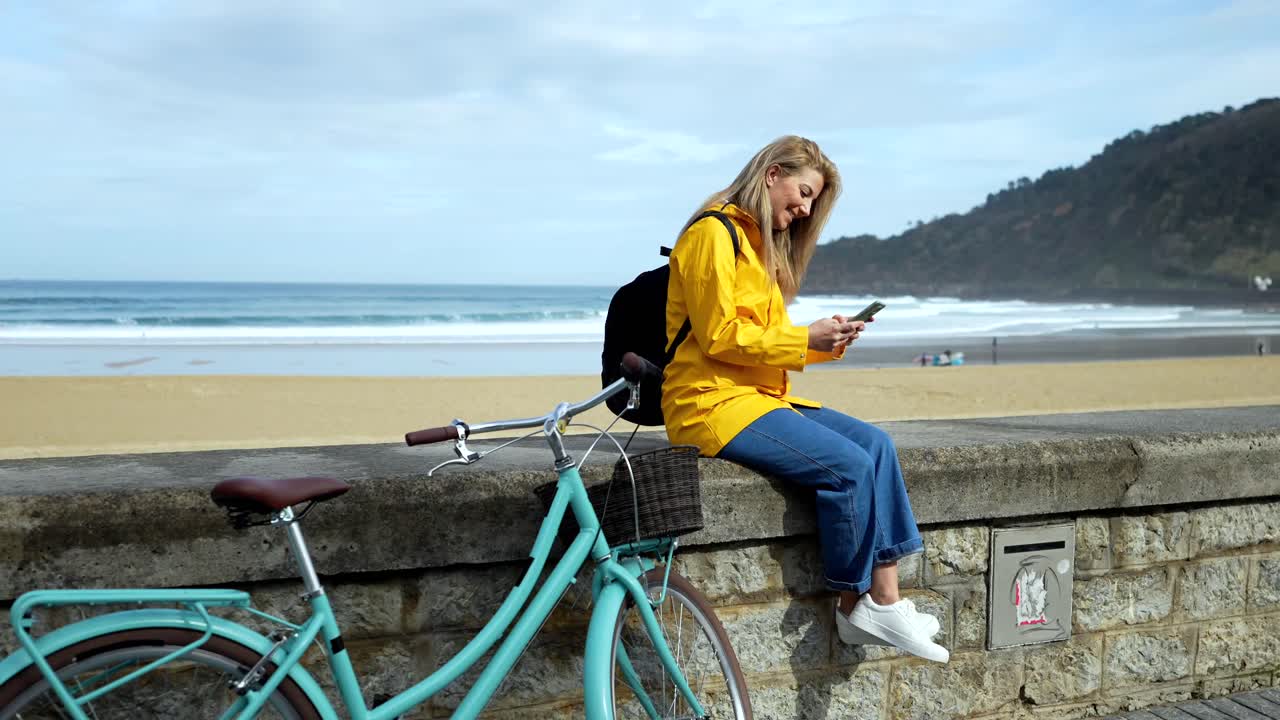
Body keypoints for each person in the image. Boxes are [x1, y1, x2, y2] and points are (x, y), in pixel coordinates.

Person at [661, 136, 947, 663]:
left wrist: (823, 342)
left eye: (813, 201)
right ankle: (852, 604)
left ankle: (885, 602)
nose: (805, 208)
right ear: (772, 174)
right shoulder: (712, 234)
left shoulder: (755, 243)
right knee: (848, 468)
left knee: (876, 445)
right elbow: (721, 336)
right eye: (803, 192)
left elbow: (757, 342)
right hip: (708, 405)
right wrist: (802, 339)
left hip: (753, 396)